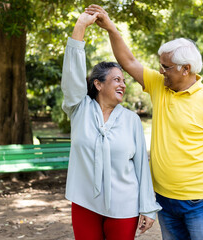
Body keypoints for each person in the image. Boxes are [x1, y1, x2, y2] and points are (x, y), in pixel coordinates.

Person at [85, 5, 203, 240]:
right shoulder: (159, 86)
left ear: (186, 69)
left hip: (199, 202)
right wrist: (110, 27)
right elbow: (127, 60)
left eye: (166, 67)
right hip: (164, 200)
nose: (161, 71)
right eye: (160, 65)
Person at [61, 12, 161, 240]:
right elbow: (72, 77)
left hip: (124, 206)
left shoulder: (131, 120)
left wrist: (147, 207)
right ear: (98, 84)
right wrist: (80, 27)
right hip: (85, 202)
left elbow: (141, 167)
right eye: (117, 79)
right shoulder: (79, 109)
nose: (123, 84)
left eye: (124, 81)